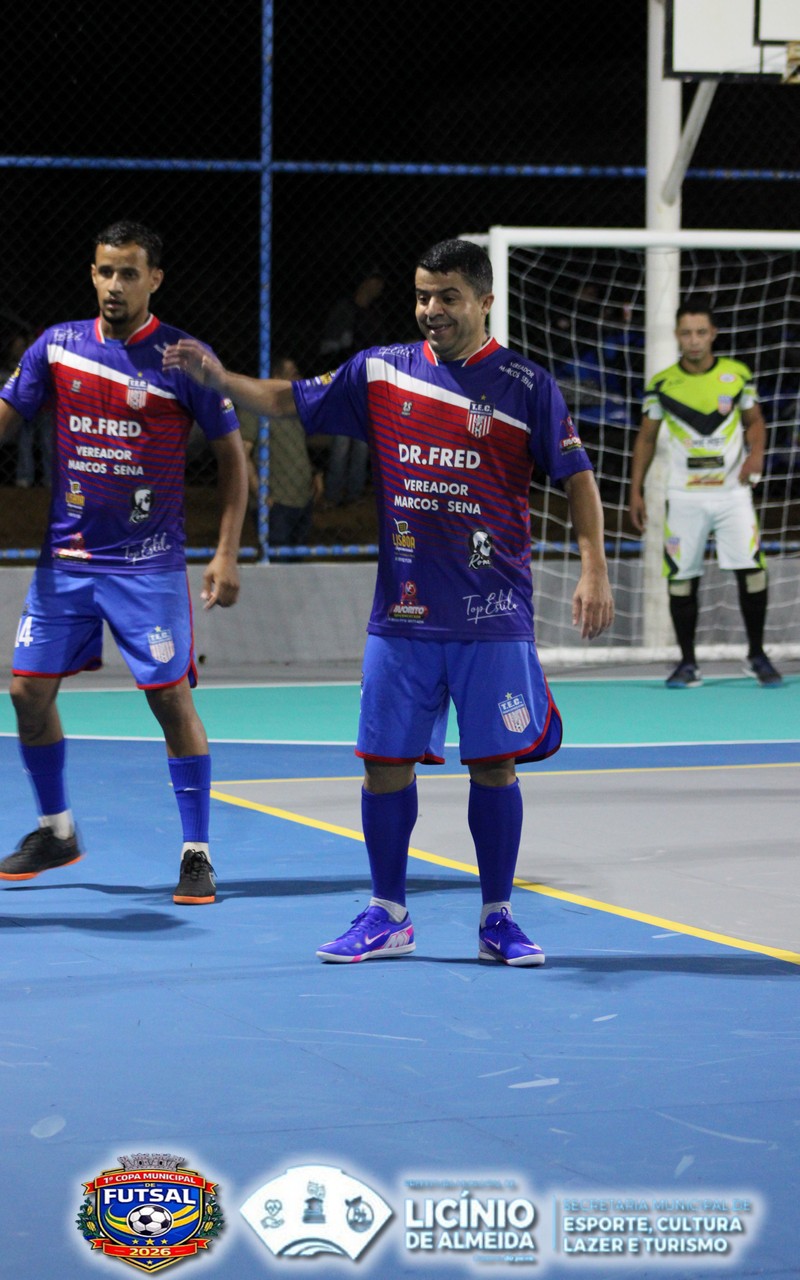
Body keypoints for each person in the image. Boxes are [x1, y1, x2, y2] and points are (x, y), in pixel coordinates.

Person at [164, 237, 614, 965]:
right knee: (383, 765)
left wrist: (594, 567)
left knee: (494, 766)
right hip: (402, 615)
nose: (431, 309)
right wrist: (221, 378)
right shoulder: (380, 371)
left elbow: (578, 477)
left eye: (448, 297)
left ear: (485, 301)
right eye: (423, 295)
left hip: (493, 615)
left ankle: (497, 917)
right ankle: (389, 914)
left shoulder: (527, 386)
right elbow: (286, 400)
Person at [0, 220, 248, 904]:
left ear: (154, 280)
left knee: (170, 700)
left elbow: (234, 460)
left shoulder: (183, 359)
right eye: (106, 271)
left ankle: (196, 853)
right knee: (26, 694)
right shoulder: (58, 347)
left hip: (148, 567)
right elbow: (6, 417)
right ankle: (56, 831)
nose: (115, 285)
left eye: (129, 273)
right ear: (92, 273)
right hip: (66, 563)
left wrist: (226, 552)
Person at [629, 298, 782, 689]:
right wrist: (636, 491)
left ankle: (758, 655)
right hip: (684, 497)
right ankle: (688, 664)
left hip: (732, 494)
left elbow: (755, 421)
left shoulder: (736, 375)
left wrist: (756, 456)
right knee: (681, 580)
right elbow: (646, 438)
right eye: (686, 333)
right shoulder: (662, 384)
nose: (694, 340)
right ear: (677, 336)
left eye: (700, 332)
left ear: (713, 334)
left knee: (754, 574)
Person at [237, 356, 323, 552]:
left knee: (296, 561)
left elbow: (297, 447)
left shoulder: (294, 407)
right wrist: (260, 493)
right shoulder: (255, 405)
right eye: (293, 374)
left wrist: (315, 473)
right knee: (277, 560)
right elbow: (242, 454)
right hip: (276, 503)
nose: (299, 379)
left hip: (302, 499)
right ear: (276, 378)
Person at [318, 268, 386, 506]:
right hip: (343, 383)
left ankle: (354, 494)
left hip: (367, 383)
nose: (377, 289)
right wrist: (340, 347)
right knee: (341, 442)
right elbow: (326, 347)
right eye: (374, 282)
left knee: (362, 443)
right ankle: (333, 494)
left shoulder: (375, 314)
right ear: (364, 282)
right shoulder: (345, 309)